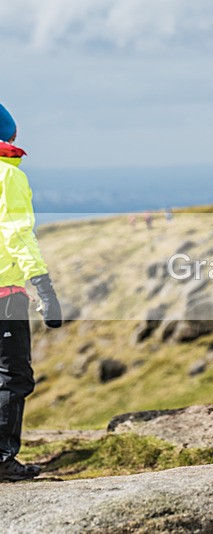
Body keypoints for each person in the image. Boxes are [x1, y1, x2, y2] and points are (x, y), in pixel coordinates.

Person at [0, 103, 63, 482]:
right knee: (12, 376)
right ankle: (2, 460)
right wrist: (43, 287)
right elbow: (18, 234)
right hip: (4, 294)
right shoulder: (7, 177)